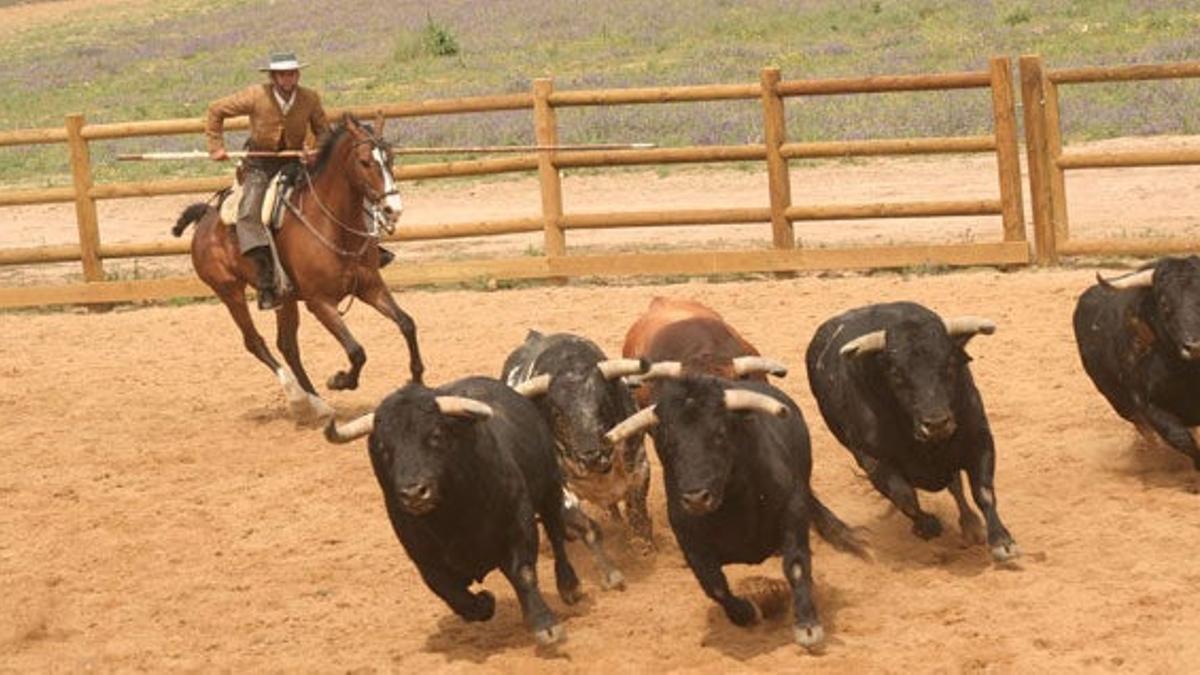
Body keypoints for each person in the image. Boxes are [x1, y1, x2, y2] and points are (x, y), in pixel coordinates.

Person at [205, 52, 395, 310]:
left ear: (298, 74)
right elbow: (216, 110)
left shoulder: (309, 98)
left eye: (292, 73)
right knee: (249, 214)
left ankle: (370, 252)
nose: (288, 79)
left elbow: (324, 132)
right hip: (261, 166)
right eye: (282, 74)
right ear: (273, 77)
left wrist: (315, 149)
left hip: (297, 163)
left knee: (340, 196)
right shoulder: (255, 95)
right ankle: (265, 279)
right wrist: (216, 146)